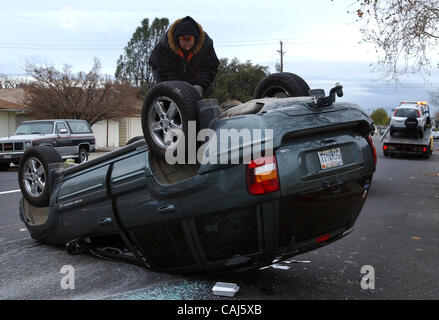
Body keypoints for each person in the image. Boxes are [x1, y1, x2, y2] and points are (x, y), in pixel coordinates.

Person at [149, 16, 220, 96]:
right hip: (163, 71)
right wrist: (178, 90)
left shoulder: (206, 44)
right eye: (184, 46)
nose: (187, 49)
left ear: (195, 39)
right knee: (171, 96)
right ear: (177, 39)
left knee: (193, 98)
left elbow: (210, 67)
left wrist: (200, 85)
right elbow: (166, 71)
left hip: (192, 74)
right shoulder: (165, 46)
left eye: (190, 46)